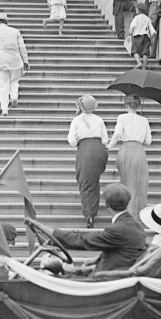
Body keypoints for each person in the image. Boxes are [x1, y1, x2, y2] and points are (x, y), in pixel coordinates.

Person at [30, 184, 147, 274]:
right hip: (111, 274)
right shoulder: (135, 226)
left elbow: (82, 241)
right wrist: (97, 259)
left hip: (105, 280)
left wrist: (42, 227)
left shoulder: (119, 230)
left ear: (107, 205)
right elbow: (122, 252)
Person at [68, 95, 109, 228]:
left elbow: (72, 141)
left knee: (85, 182)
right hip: (98, 148)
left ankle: (89, 214)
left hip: (85, 148)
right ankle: (93, 210)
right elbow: (105, 139)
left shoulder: (77, 120)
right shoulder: (99, 119)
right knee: (94, 180)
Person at [109, 95, 152, 218]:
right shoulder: (144, 120)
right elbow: (148, 141)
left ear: (126, 105)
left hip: (126, 149)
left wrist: (110, 145)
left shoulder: (121, 117)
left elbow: (117, 133)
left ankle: (125, 211)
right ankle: (138, 212)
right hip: (139, 150)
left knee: (126, 181)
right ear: (138, 106)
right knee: (139, 183)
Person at [0, 12, 29, 117]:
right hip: (15, 60)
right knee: (14, 81)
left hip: (1, 60)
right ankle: (14, 97)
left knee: (3, 85)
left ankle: (4, 110)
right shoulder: (15, 31)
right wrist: (25, 61)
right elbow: (22, 47)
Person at [128, 5, 156, 70]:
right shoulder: (147, 19)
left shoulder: (136, 18)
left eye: (136, 9)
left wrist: (130, 33)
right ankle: (144, 67)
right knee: (145, 51)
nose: (136, 11)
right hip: (146, 37)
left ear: (138, 10)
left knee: (135, 50)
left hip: (137, 36)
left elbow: (132, 26)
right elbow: (152, 29)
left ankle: (139, 62)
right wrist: (153, 38)